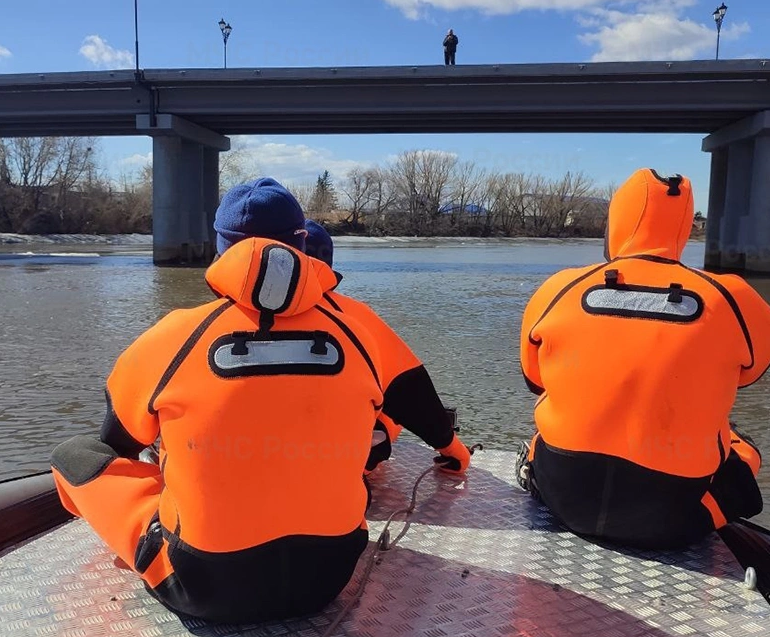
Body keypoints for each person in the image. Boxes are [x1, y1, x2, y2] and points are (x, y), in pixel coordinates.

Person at [50, 178, 472, 625]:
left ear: (220, 249)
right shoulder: (360, 330)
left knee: (75, 455)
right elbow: (417, 399)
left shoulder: (172, 336)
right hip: (327, 578)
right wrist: (455, 452)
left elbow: (117, 447)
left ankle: (144, 549)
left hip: (202, 587)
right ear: (302, 242)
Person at [515, 168, 770, 549]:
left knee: (551, 414)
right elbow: (749, 374)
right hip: (671, 518)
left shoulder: (558, 287)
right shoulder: (734, 298)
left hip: (562, 497)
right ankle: (711, 508)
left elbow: (535, 379)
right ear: (684, 227)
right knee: (742, 447)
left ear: (616, 222)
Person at [303, 219, 471, 475]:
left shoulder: (234, 315)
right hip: (337, 467)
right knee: (389, 408)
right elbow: (412, 391)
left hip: (250, 457)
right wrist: (454, 451)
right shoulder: (355, 315)